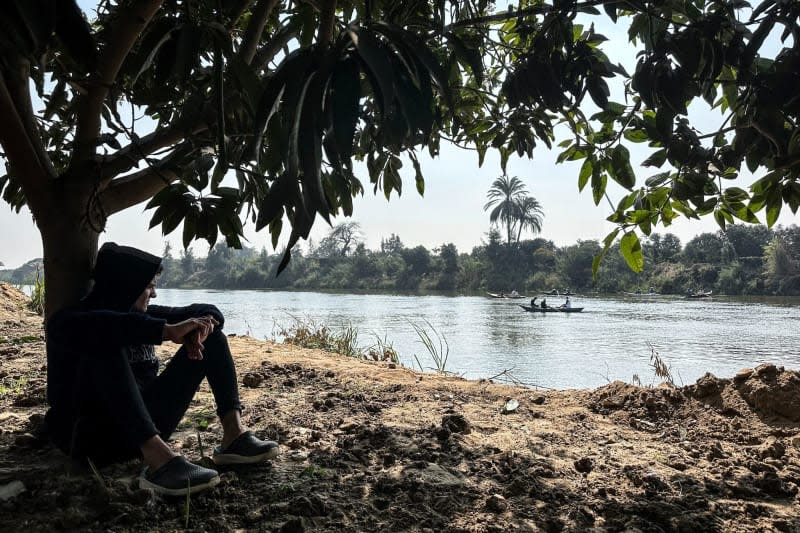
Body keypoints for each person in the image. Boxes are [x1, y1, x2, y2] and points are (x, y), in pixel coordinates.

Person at [44, 243, 278, 496]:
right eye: (149, 287)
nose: (154, 295)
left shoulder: (145, 314)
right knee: (103, 342)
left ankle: (234, 435)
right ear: (125, 286)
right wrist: (165, 331)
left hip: (147, 424)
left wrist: (198, 330)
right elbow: (107, 326)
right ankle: (160, 462)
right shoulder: (67, 323)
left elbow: (207, 312)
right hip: (93, 438)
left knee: (214, 337)